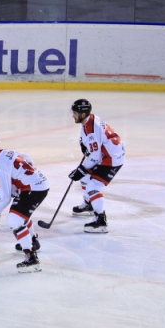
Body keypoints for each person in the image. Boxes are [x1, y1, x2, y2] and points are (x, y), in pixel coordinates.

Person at [0, 134, 49, 273]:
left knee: (14, 220)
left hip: (32, 189)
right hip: (40, 183)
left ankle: (31, 259)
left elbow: (3, 196)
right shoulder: (6, 152)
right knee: (21, 214)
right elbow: (29, 160)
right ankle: (32, 241)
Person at [69, 99, 125, 233]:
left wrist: (81, 169)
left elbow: (95, 157)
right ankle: (89, 204)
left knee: (92, 187)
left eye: (75, 113)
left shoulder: (92, 129)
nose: (73, 116)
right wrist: (84, 143)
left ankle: (101, 220)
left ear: (83, 114)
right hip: (107, 155)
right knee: (85, 179)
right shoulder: (90, 119)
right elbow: (93, 141)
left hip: (111, 160)